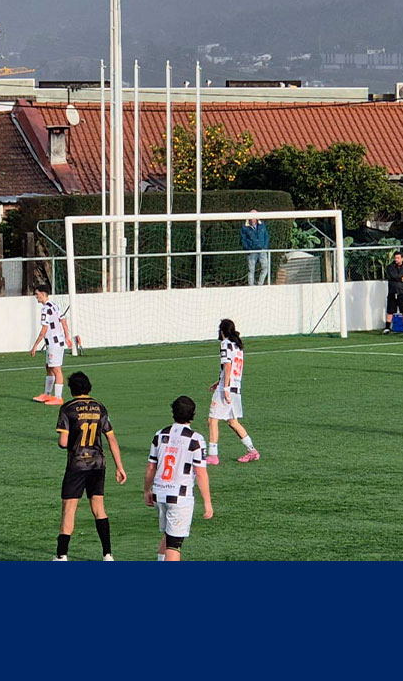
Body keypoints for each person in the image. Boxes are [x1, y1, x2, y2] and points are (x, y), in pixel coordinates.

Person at [52, 372, 125, 561]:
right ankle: (107, 554)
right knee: (99, 509)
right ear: (89, 387)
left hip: (77, 465)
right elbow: (111, 439)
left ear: (71, 389)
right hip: (98, 464)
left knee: (69, 509)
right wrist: (119, 467)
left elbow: (62, 442)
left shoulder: (67, 409)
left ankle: (61, 556)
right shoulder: (100, 407)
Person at [144, 396, 213, 562]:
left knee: (169, 535)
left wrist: (147, 490)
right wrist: (208, 502)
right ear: (193, 414)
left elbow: (151, 467)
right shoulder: (195, 439)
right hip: (180, 496)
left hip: (159, 493)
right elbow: (201, 473)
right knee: (175, 545)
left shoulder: (160, 435)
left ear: (173, 412)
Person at [207, 318, 259, 464]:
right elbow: (233, 369)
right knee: (232, 421)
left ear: (222, 331)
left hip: (227, 389)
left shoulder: (225, 344)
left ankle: (212, 455)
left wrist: (225, 388)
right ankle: (252, 451)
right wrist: (219, 382)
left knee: (212, 420)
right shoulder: (237, 346)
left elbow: (228, 367)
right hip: (235, 387)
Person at [28, 282, 73, 405]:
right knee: (49, 367)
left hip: (54, 343)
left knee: (56, 368)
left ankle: (58, 397)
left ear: (43, 294)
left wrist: (35, 345)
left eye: (37, 295)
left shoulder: (45, 309)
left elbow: (44, 330)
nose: (36, 297)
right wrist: (67, 336)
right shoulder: (54, 305)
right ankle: (47, 394)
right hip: (55, 342)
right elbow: (63, 320)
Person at [383, 252, 403, 337]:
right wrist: (401, 277)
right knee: (390, 310)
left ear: (402, 258)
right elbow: (393, 276)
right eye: (395, 258)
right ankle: (387, 327)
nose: (396, 260)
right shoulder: (390, 267)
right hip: (392, 291)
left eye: (398, 258)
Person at [242, 210, 271, 286]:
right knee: (251, 270)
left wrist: (265, 247)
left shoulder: (262, 224)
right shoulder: (245, 227)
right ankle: (251, 286)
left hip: (262, 250)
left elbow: (266, 236)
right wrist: (248, 249)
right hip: (252, 251)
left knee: (265, 267)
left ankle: (260, 285)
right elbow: (243, 239)